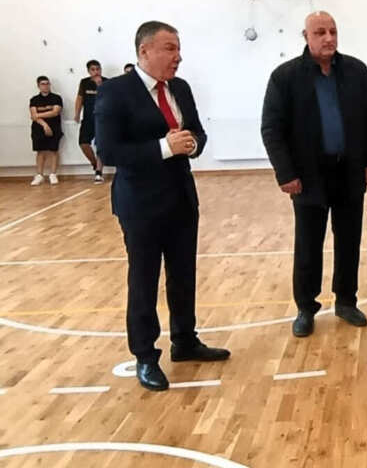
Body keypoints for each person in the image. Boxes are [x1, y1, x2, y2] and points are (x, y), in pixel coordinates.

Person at [95, 21, 230, 392]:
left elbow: (197, 131)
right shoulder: (115, 92)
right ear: (144, 51)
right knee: (144, 280)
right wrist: (164, 147)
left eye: (178, 48)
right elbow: (108, 151)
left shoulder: (180, 88)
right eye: (170, 48)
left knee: (183, 274)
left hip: (181, 197)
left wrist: (193, 144)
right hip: (140, 203)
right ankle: (145, 356)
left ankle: (185, 341)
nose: (178, 57)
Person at [261, 11, 367, 336]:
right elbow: (271, 129)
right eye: (320, 32)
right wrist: (285, 173)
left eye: (332, 31)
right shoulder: (285, 77)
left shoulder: (357, 71)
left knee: (349, 241)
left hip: (350, 172)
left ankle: (346, 301)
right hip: (307, 176)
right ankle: (306, 307)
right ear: (306, 37)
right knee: (308, 245)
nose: (328, 38)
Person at [75, 59, 107, 183]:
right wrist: (77, 114)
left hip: (102, 119)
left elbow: (110, 98)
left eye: (98, 69)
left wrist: (100, 86)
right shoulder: (84, 83)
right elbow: (79, 99)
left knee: (100, 145)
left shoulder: (107, 82)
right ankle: (94, 163)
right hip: (88, 118)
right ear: (88, 71)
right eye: (93, 70)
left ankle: (99, 172)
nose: (96, 72)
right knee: (83, 143)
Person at [29, 76, 63, 185]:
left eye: (47, 83)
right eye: (43, 84)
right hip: (38, 128)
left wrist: (38, 115)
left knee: (53, 150)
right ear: (38, 86)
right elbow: (33, 115)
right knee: (40, 151)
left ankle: (53, 174)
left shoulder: (56, 98)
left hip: (55, 128)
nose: (46, 86)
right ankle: (39, 175)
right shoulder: (34, 100)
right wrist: (45, 125)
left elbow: (55, 112)